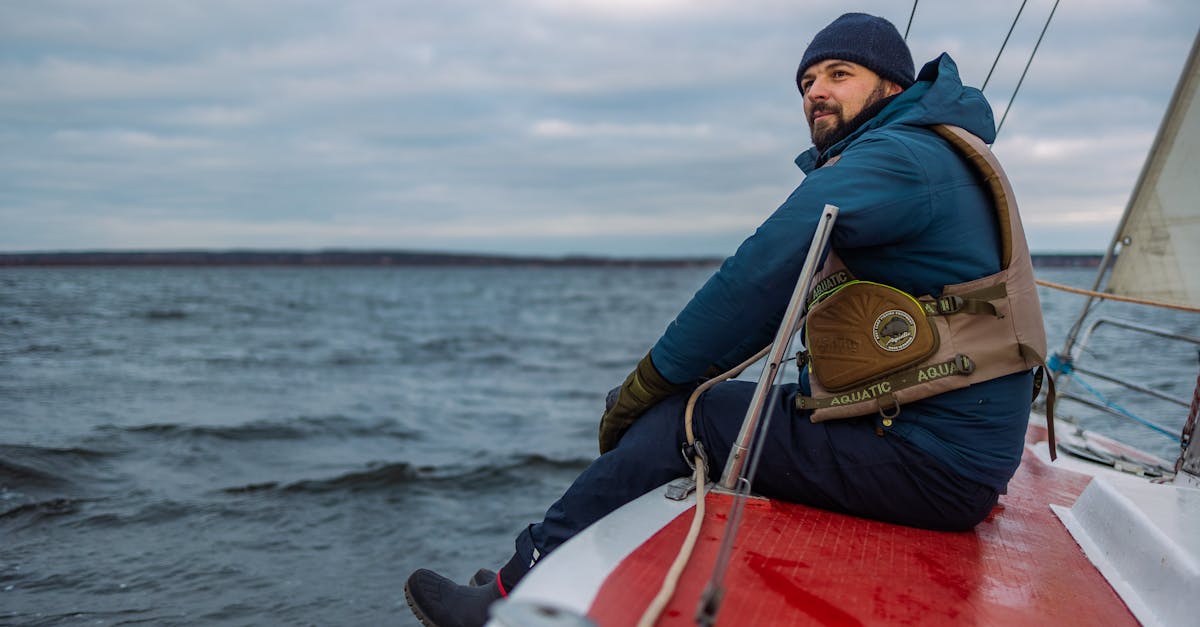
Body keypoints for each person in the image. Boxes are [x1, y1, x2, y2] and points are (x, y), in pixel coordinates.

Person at [405, 12, 1046, 627]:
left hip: (933, 464)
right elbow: (768, 298)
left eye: (839, 73)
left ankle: (509, 596)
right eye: (806, 81)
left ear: (894, 87)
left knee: (686, 417)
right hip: (942, 447)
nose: (816, 91)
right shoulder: (927, 151)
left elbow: (755, 278)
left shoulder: (896, 159)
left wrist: (648, 387)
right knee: (725, 405)